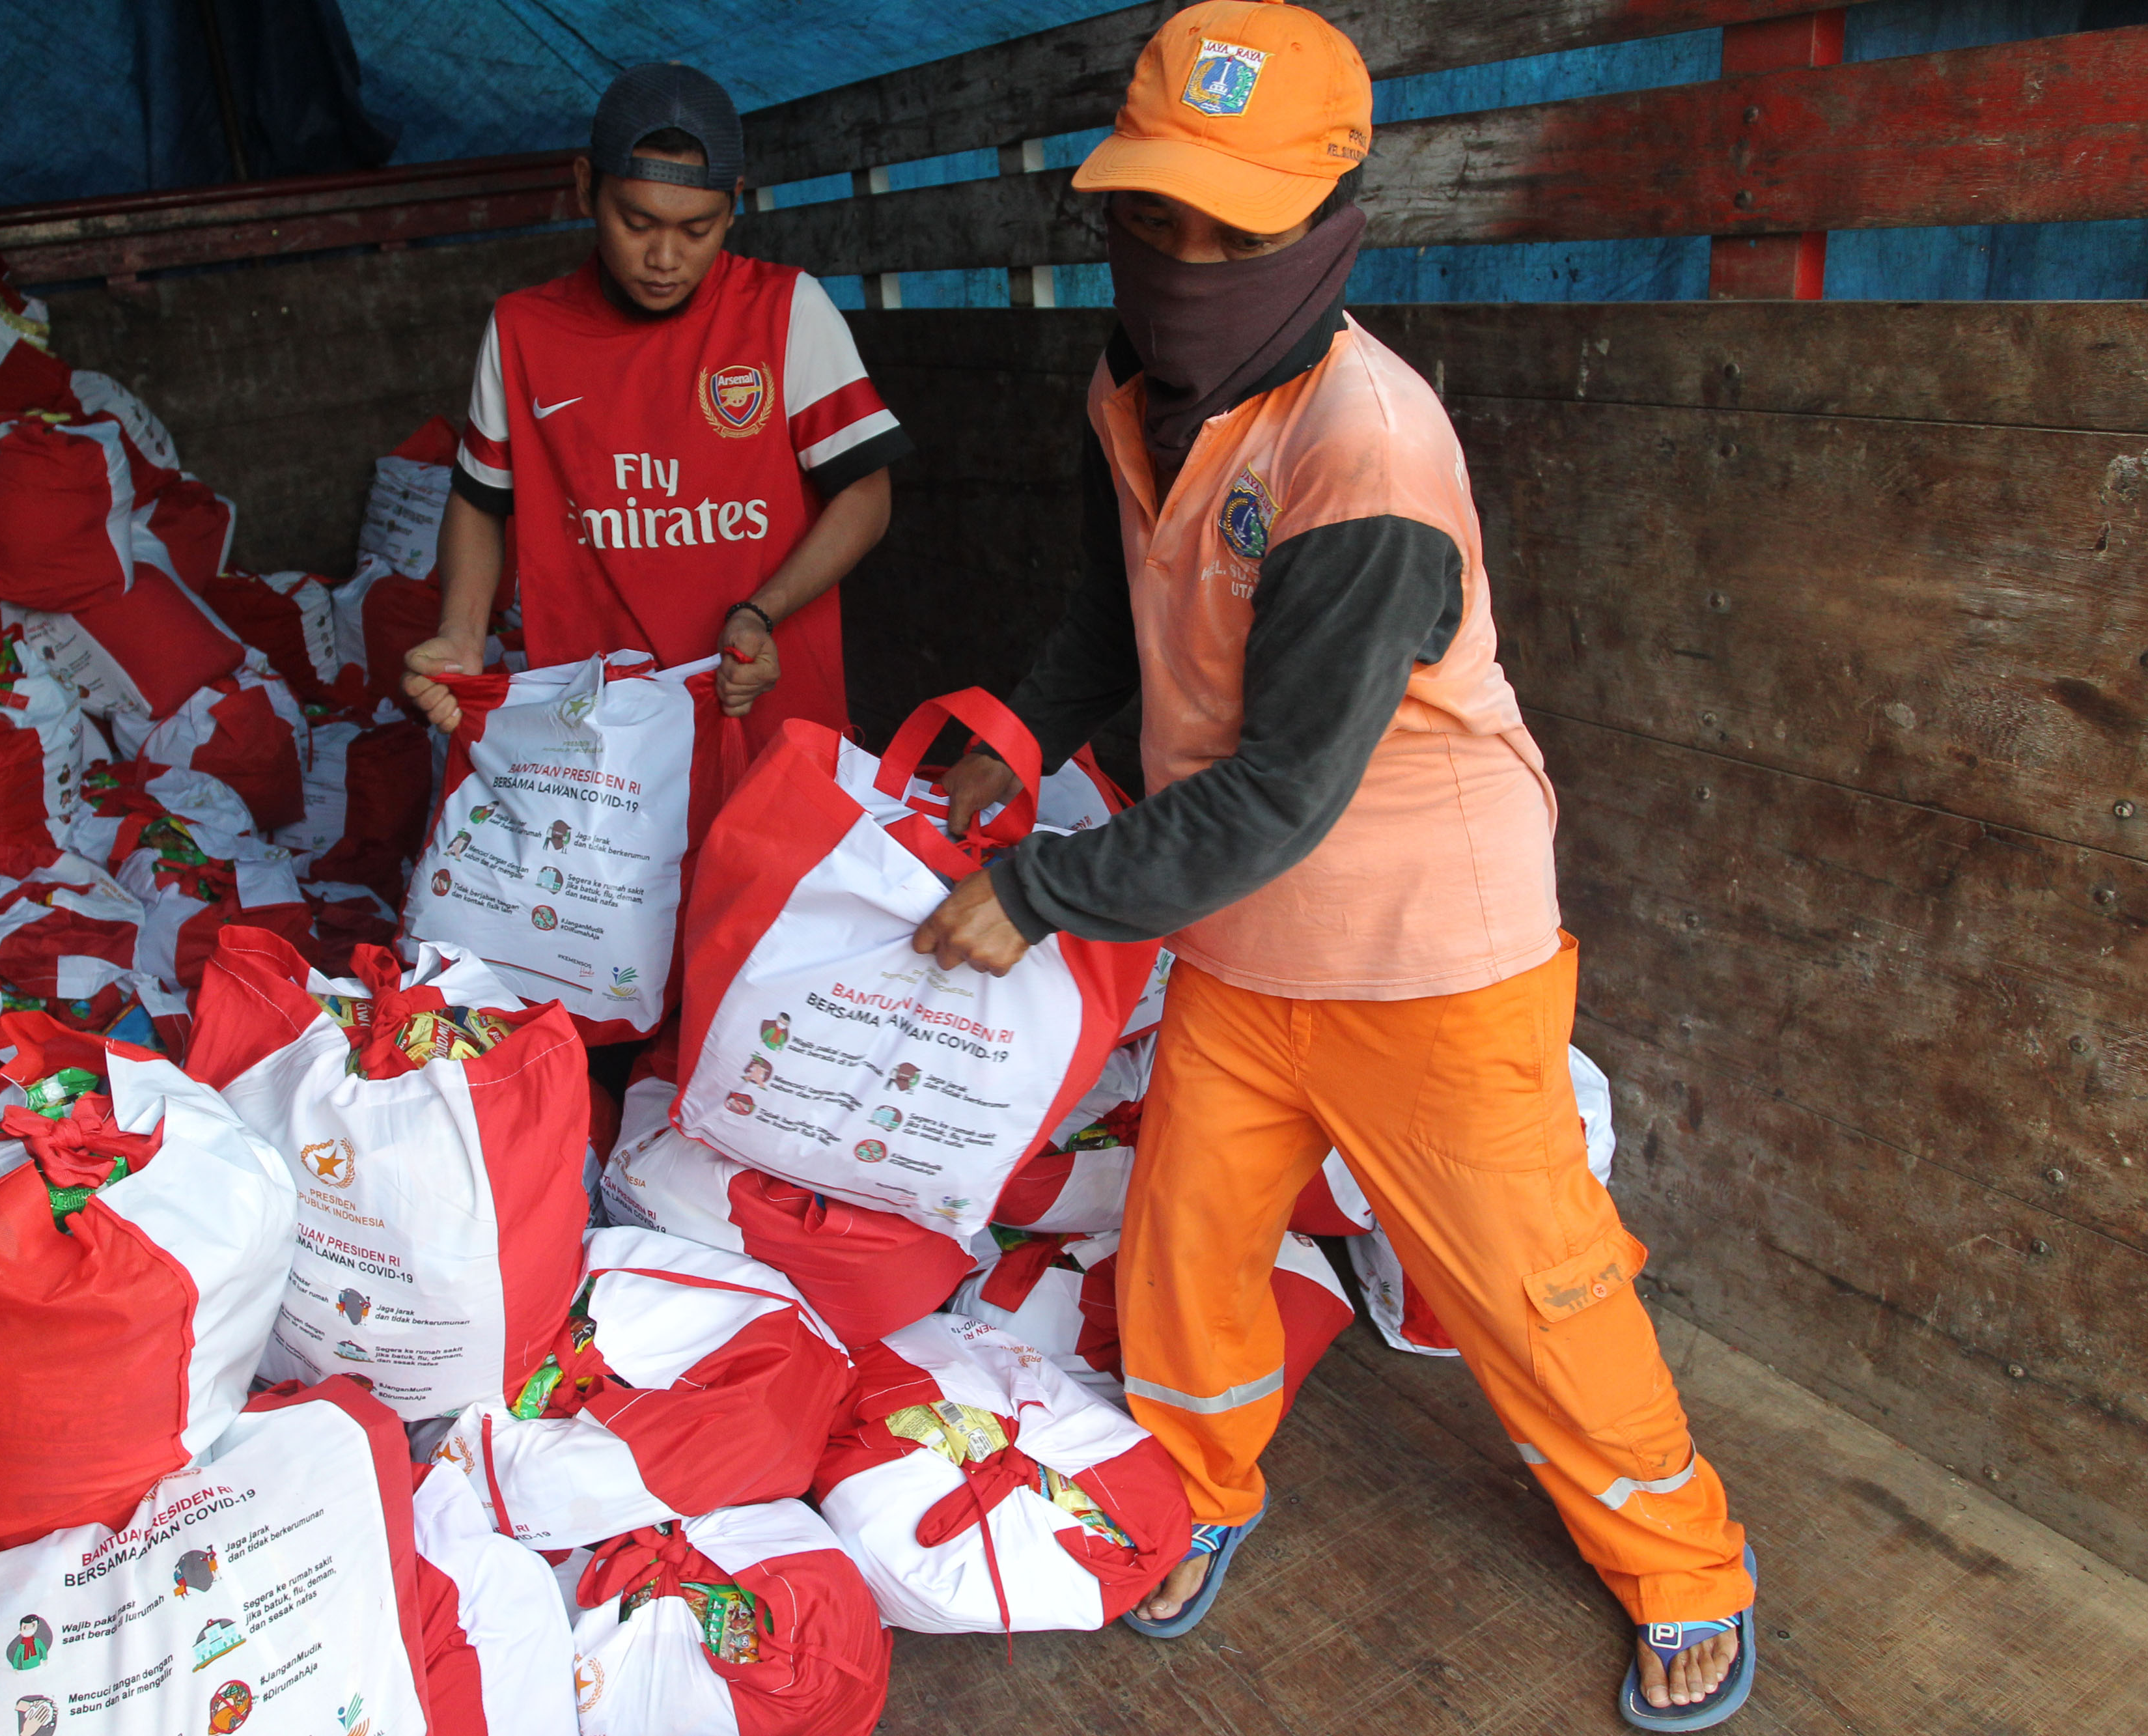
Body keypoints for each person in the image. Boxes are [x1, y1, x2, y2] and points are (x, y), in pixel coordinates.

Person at [913, 5, 1757, 1726]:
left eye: (1233, 230)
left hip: (1423, 954)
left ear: (1330, 225)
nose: (1183, 260)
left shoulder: (1361, 449)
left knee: (1527, 1284)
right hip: (1236, 937)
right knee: (1185, 1240)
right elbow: (1111, 615)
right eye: (1152, 217)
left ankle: (1684, 1563)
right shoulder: (1130, 388)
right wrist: (1003, 737)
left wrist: (1038, 889)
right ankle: (1199, 1489)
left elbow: (1285, 789)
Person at [403, 63, 912, 746]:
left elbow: (866, 492)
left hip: (768, 718)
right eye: (636, 222)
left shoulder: (787, 312)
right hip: (600, 735)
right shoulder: (523, 332)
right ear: (586, 186)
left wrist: (761, 612)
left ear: (733, 204)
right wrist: (461, 634)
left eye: (698, 230)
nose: (664, 257)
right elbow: (479, 498)